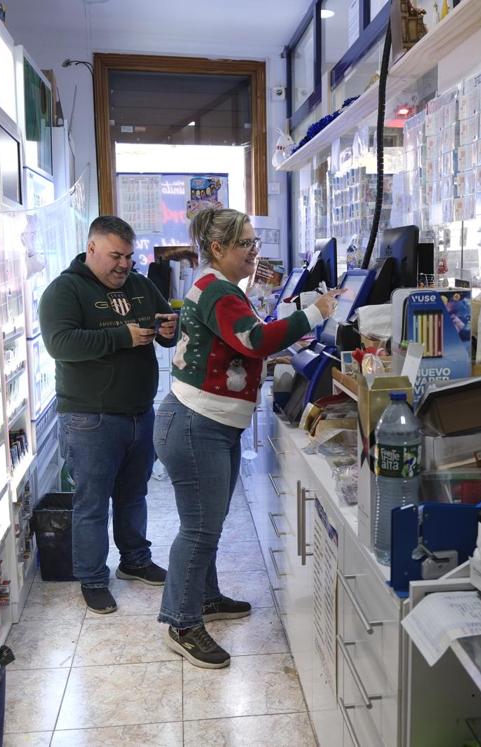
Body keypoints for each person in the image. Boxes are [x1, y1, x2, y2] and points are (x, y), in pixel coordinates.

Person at [156, 208, 340, 668]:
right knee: (200, 527)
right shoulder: (217, 290)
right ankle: (181, 621)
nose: (254, 253)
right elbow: (253, 339)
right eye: (246, 244)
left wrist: (290, 338)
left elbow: (242, 344)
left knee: (208, 521)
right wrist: (315, 313)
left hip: (209, 423)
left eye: (255, 243)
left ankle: (206, 597)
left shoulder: (218, 287)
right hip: (196, 424)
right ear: (218, 249)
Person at [39, 215, 179, 614]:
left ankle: (134, 561)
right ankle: (93, 578)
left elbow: (166, 321)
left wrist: (170, 330)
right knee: (93, 503)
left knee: (134, 495)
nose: (123, 264)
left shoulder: (139, 285)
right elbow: (61, 344)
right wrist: (123, 335)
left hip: (139, 412)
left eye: (129, 257)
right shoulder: (64, 291)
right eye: (115, 255)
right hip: (89, 418)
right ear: (92, 249)